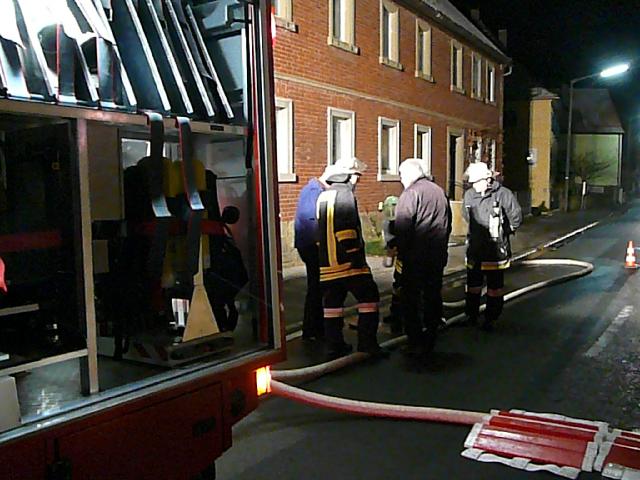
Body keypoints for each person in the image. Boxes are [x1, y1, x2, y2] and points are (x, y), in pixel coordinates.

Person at [316, 158, 387, 359]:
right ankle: (367, 344)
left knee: (332, 306)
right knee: (369, 299)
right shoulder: (345, 194)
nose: (358, 180)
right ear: (349, 176)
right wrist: (356, 256)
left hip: (327, 264)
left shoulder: (324, 196)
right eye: (357, 176)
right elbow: (345, 230)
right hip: (348, 264)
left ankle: (334, 346)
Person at [393, 158, 451, 362]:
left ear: (410, 174)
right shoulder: (439, 192)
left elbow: (403, 227)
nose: (401, 179)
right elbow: (447, 223)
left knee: (411, 298)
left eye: (401, 175)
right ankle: (431, 333)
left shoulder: (410, 193)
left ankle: (415, 341)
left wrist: (399, 251)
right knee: (432, 294)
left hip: (415, 257)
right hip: (437, 254)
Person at [462, 162, 522, 330]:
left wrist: (505, 232)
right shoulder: (469, 195)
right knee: (473, 286)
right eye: (472, 183)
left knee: (494, 288)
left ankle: (491, 318)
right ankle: (471, 315)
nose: (474, 186)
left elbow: (516, 217)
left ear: (488, 179)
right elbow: (466, 216)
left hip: (495, 251)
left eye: (477, 182)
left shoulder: (503, 194)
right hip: (475, 249)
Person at [293, 170, 331, 340]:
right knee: (316, 287)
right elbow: (310, 220)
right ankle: (312, 329)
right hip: (311, 247)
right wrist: (321, 243)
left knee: (317, 287)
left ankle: (315, 328)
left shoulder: (314, 189)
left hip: (309, 245)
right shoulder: (314, 190)